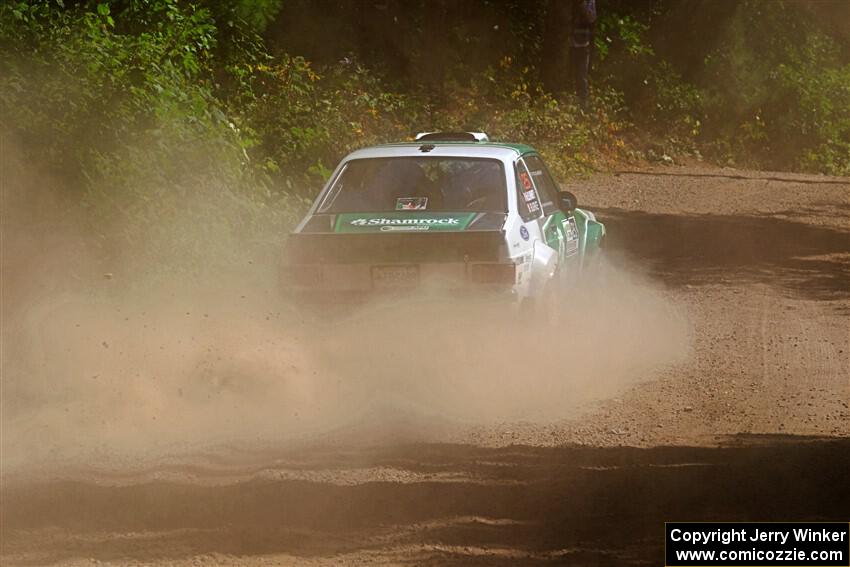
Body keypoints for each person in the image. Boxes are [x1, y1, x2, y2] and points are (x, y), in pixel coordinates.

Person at [569, 0, 597, 108]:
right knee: (569, 75)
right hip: (570, 43)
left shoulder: (590, 1)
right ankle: (568, 103)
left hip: (583, 44)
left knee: (582, 76)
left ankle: (582, 106)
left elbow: (591, 18)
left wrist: (582, 4)